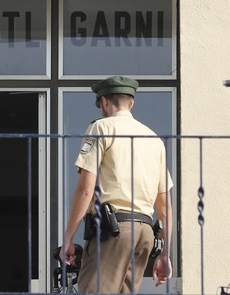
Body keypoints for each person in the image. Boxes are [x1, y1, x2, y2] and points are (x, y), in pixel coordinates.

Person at [60, 75, 173, 293]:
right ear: (131, 103)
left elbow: (86, 189)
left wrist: (68, 237)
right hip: (144, 233)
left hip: (113, 232)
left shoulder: (101, 128)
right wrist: (166, 253)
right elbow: (165, 207)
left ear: (103, 102)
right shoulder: (154, 139)